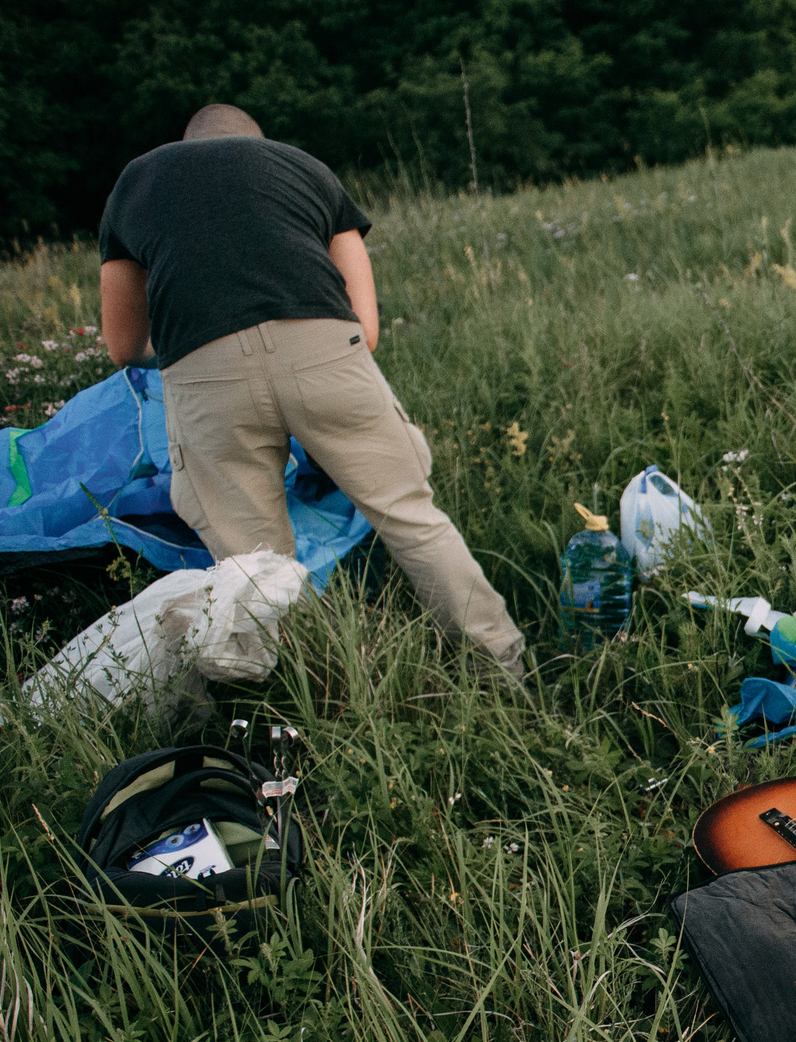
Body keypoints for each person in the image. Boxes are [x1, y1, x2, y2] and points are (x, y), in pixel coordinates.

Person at [98, 105, 527, 680]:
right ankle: (502, 671)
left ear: (184, 144)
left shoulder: (137, 181)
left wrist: (191, 350)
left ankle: (315, 696)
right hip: (325, 355)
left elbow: (124, 346)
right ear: (260, 145)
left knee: (257, 566)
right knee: (410, 519)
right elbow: (366, 328)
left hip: (204, 374)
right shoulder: (304, 167)